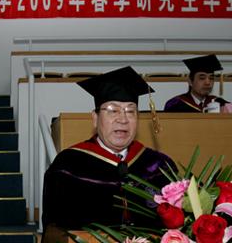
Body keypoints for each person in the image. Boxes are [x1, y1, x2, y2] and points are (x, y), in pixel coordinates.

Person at [42, 66, 177, 241]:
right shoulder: (68, 166)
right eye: (113, 110)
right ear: (95, 118)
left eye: (130, 111)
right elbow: (54, 231)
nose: (122, 119)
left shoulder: (159, 165)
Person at [164, 54, 228, 112]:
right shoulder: (175, 105)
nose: (208, 82)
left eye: (211, 78)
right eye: (202, 78)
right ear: (190, 81)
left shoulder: (220, 103)